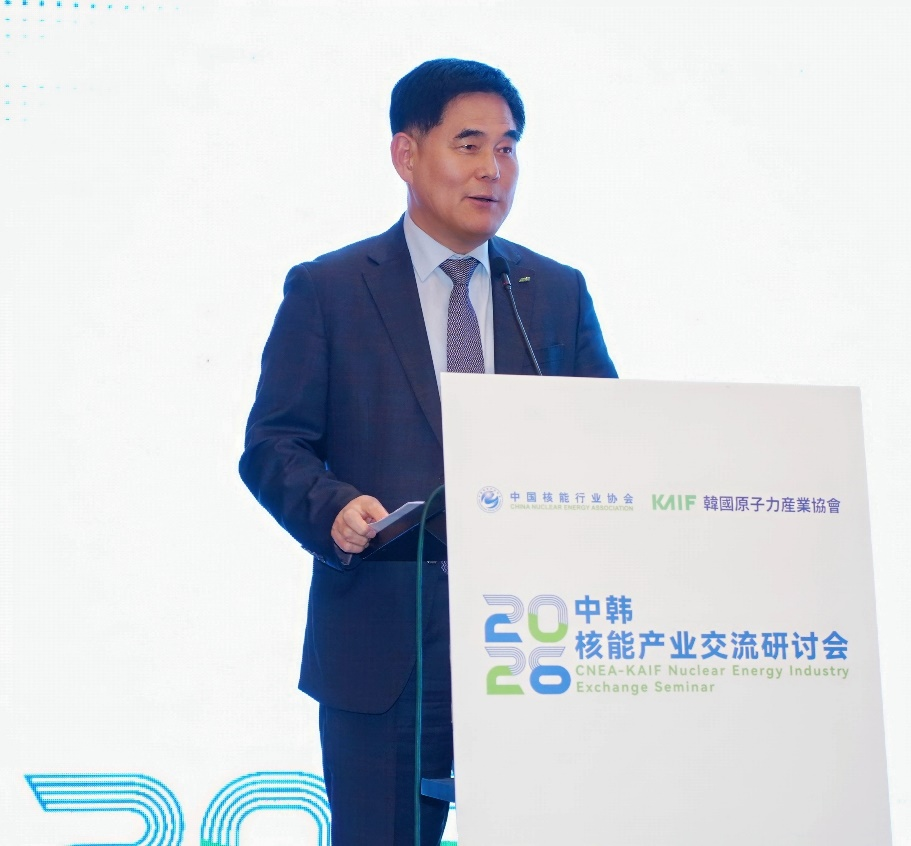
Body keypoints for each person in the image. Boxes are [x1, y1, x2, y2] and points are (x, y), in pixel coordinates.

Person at [239, 58, 618, 846]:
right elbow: (274, 443)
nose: (492, 169)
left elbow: (608, 439)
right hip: (384, 646)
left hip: (534, 645)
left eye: (507, 148)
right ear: (406, 154)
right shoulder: (331, 289)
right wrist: (332, 507)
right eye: (469, 144)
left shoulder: (554, 291)